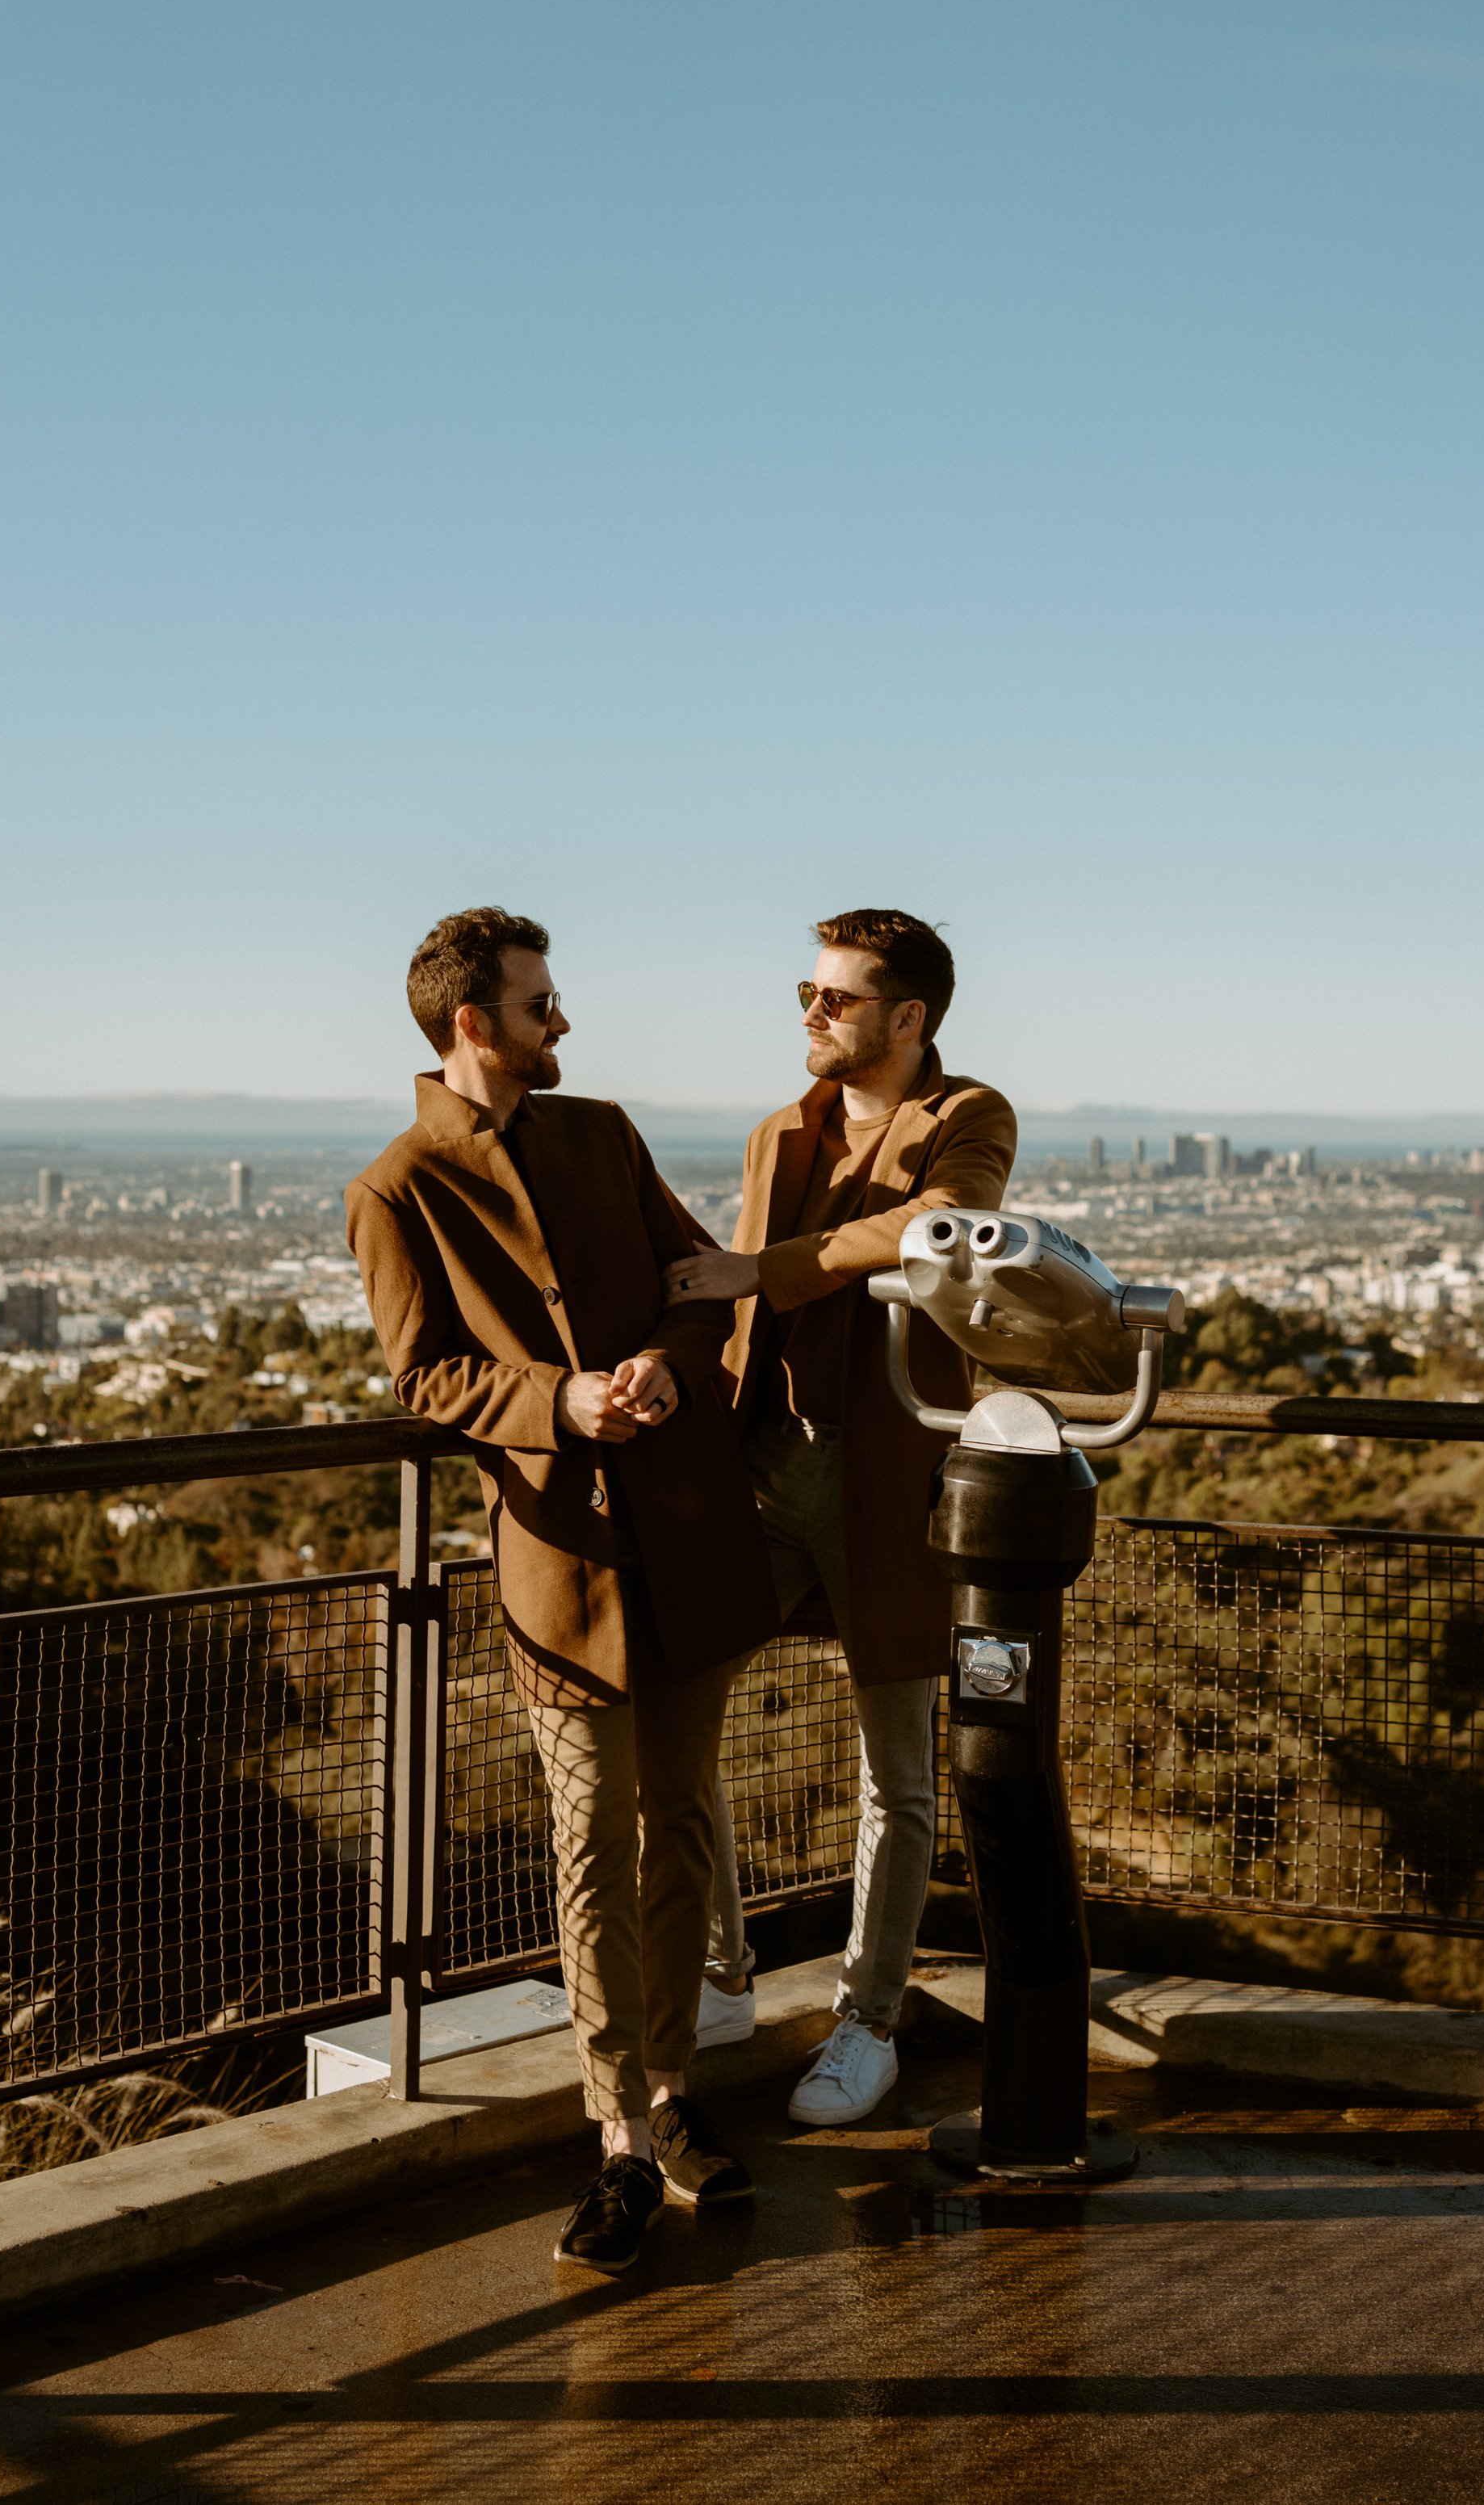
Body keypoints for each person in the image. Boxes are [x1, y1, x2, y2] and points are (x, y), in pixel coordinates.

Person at [346, 907, 778, 2276]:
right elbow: (423, 1376)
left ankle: (672, 2092)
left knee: (681, 1835)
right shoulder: (395, 1189)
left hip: (688, 1537)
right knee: (590, 1848)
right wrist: (558, 1400)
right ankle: (622, 2145)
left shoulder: (603, 1132)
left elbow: (699, 1281)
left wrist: (661, 1351)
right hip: (559, 1560)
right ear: (475, 1024)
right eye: (542, 1004)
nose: (564, 1022)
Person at [664, 909, 1015, 2123]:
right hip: (767, 1459)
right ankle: (718, 1975)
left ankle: (868, 2019)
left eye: (838, 998)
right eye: (806, 993)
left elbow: (929, 1234)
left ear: (908, 1017)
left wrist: (764, 1269)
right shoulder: (782, 1131)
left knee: (897, 1769)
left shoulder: (967, 1118)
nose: (811, 1013)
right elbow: (735, 1282)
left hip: (889, 1469)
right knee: (672, 1702)